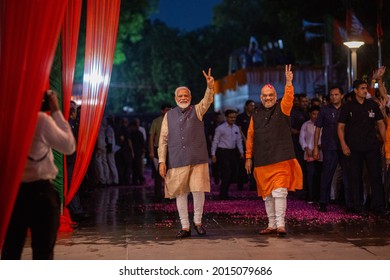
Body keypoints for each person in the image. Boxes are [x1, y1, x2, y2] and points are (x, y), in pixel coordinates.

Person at [1, 90, 76, 259]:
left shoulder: (6, 118)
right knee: (43, 253)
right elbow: (69, 146)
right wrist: (56, 110)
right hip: (40, 194)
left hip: (13, 194)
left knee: (10, 251)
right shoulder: (40, 120)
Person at [245, 65, 303, 237]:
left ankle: (281, 225)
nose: (268, 98)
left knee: (279, 192)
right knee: (267, 195)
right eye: (265, 96)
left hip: (281, 158)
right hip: (262, 160)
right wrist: (248, 157)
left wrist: (289, 82)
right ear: (260, 97)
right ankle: (271, 225)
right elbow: (250, 137)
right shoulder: (255, 115)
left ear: (275, 97)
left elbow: (289, 98)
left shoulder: (283, 108)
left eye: (271, 95)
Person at [158, 68, 214, 238]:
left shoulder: (197, 110)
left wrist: (210, 87)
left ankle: (198, 222)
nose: (183, 98)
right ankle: (185, 227)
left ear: (190, 98)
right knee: (180, 193)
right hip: (176, 159)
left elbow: (207, 100)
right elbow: (163, 139)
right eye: (180, 96)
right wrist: (162, 161)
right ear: (175, 99)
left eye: (186, 96)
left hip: (197, 158)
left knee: (198, 191)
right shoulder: (169, 116)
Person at [338, 79, 386, 217]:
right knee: (355, 177)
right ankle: (357, 205)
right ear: (355, 90)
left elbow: (381, 124)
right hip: (354, 148)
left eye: (366, 88)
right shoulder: (348, 106)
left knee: (375, 176)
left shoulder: (372, 105)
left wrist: (384, 143)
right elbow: (340, 127)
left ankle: (378, 206)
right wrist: (343, 144)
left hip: (371, 146)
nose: (365, 91)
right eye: (362, 88)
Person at [313, 87, 351, 213]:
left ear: (342, 95)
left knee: (347, 176)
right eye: (331, 95)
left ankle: (349, 203)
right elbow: (317, 129)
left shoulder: (347, 109)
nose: (333, 97)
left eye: (336, 94)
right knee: (326, 175)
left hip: (345, 146)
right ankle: (323, 202)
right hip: (329, 146)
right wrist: (315, 148)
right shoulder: (324, 110)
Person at [211, 109, 244, 199]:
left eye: (234, 117)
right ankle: (223, 193)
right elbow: (215, 141)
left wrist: (241, 152)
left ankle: (224, 192)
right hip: (222, 152)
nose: (233, 119)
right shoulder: (220, 128)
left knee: (233, 172)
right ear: (226, 117)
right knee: (227, 172)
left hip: (233, 152)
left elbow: (239, 141)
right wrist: (213, 154)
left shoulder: (236, 128)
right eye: (231, 117)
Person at [149, 103, 172, 202]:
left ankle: (169, 195)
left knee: (170, 174)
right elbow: (151, 137)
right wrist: (151, 151)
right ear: (162, 111)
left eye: (170, 110)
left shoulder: (174, 121)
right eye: (167, 110)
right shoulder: (156, 121)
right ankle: (158, 195)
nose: (169, 112)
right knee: (159, 174)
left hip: (171, 150)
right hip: (158, 149)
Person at [299, 105, 322, 203]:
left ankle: (320, 196)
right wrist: (306, 148)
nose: (315, 116)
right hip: (308, 153)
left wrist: (319, 146)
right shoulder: (305, 125)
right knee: (310, 175)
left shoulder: (323, 124)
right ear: (310, 114)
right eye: (313, 114)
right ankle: (311, 196)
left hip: (321, 153)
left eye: (317, 114)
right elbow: (301, 138)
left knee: (319, 175)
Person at [236, 99, 256, 190]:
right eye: (251, 105)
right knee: (242, 165)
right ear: (246, 106)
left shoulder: (255, 116)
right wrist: (245, 140)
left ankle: (253, 184)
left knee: (254, 164)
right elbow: (239, 129)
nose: (253, 107)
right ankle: (240, 184)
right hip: (243, 143)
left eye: (253, 106)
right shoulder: (240, 117)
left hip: (254, 144)